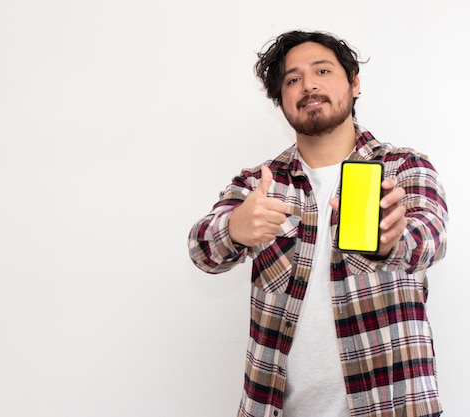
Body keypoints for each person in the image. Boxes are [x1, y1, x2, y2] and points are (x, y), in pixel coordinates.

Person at [187, 30, 448, 417]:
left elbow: (430, 238)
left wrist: (392, 239)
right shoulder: (260, 182)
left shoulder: (405, 167)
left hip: (393, 406)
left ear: (354, 83)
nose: (307, 84)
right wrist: (235, 229)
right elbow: (201, 251)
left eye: (322, 71)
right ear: (282, 101)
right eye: (292, 79)